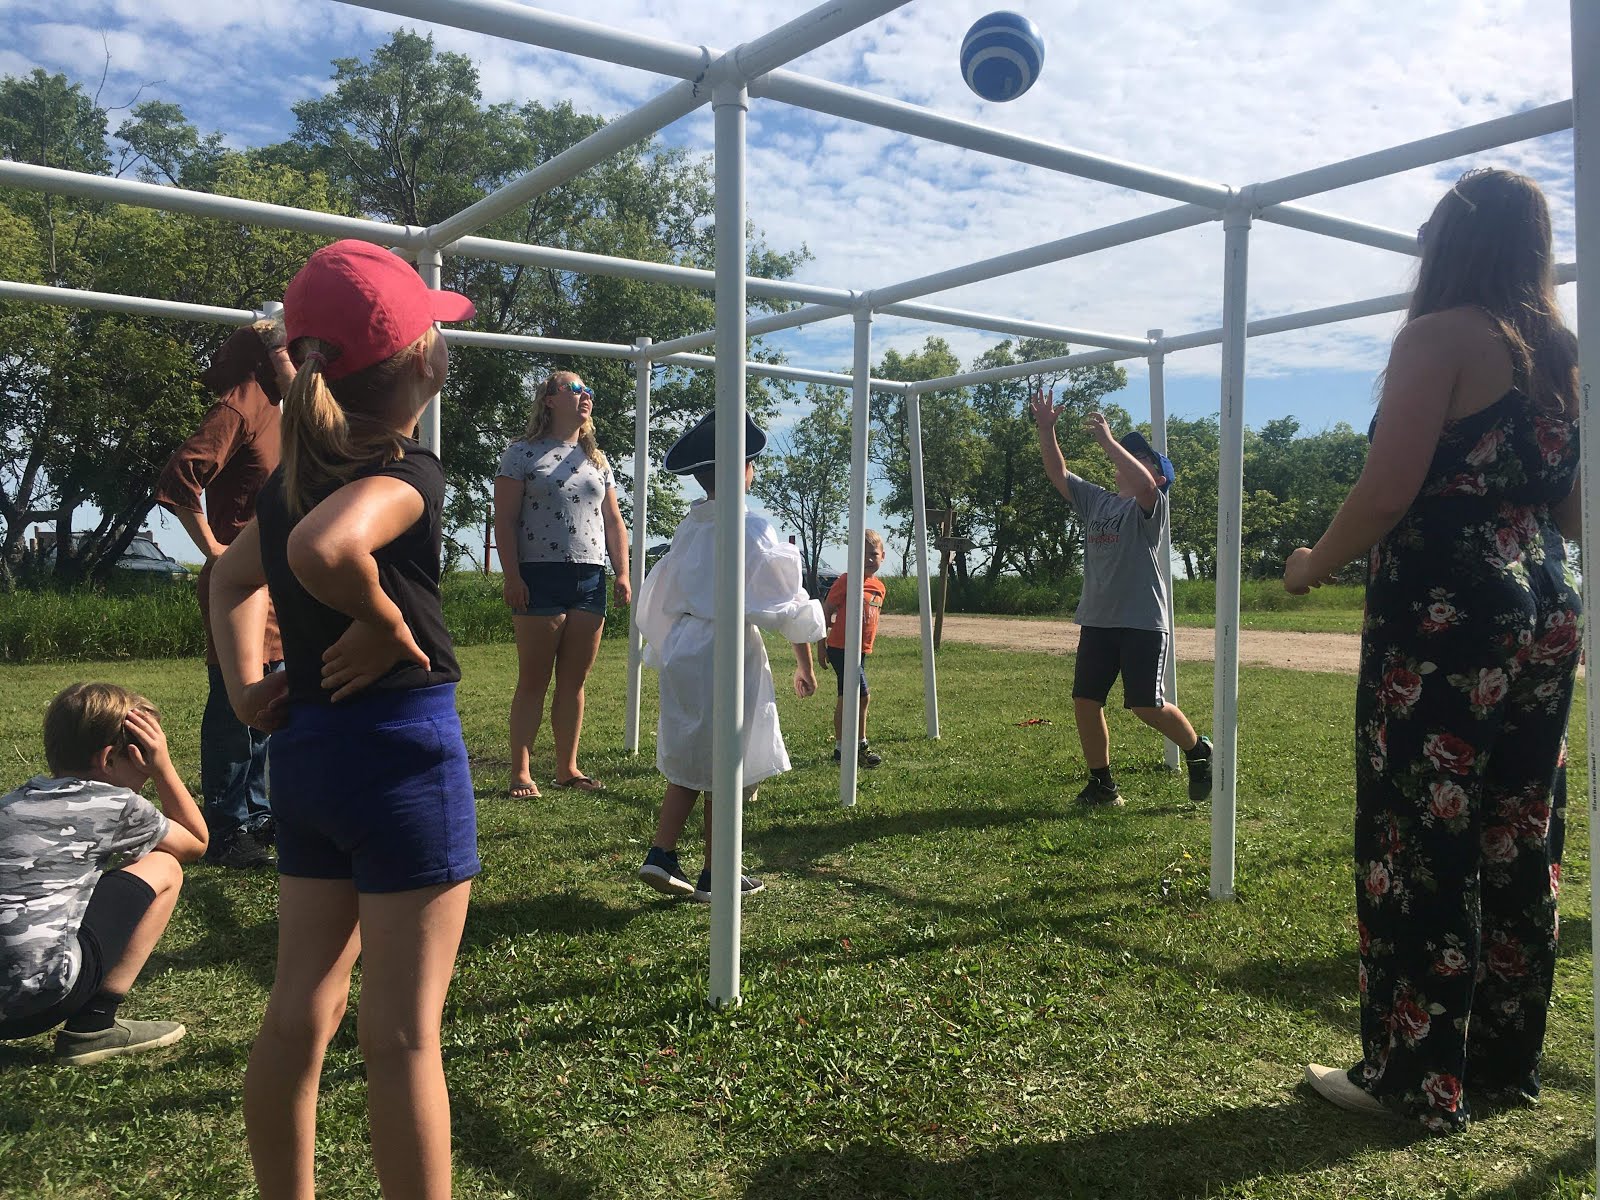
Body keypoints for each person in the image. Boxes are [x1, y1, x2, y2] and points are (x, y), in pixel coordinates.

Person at [1286, 169, 1581, 1134]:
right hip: (1544, 606)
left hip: (1445, 618)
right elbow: (1574, 509)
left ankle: (1413, 1078)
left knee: (1423, 834)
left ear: (1450, 239)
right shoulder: (1559, 352)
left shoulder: (1438, 336)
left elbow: (1385, 490)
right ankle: (1499, 1065)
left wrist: (1307, 565)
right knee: (1516, 832)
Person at [209, 239, 479, 1199]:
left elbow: (229, 579)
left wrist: (247, 692)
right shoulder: (411, 471)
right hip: (400, 756)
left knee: (297, 1011)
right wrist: (387, 618)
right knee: (404, 1034)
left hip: (309, 758)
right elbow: (334, 547)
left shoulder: (284, 493)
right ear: (421, 365)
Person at [634, 410, 823, 901]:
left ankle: (662, 852)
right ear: (743, 469)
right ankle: (717, 871)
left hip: (685, 646)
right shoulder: (752, 527)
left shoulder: (689, 529)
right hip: (728, 648)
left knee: (692, 754)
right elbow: (784, 602)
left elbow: (661, 592)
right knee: (727, 761)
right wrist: (803, 659)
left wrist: (665, 643)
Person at [0, 683, 207, 1064]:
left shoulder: (11, 802)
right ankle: (93, 1026)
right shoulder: (116, 803)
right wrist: (163, 767)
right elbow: (196, 841)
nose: (143, 773)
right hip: (37, 999)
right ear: (109, 759)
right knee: (165, 866)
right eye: (139, 759)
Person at [155, 318, 294, 869]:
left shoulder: (291, 410)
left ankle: (258, 812)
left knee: (273, 697)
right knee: (235, 704)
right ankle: (226, 825)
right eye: (289, 347)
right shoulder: (245, 402)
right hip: (239, 584)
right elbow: (180, 474)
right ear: (269, 354)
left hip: (280, 582)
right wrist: (214, 549)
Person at [1031, 394, 1213, 807]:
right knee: (1085, 701)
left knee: (1146, 705)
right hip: (1097, 620)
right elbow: (1058, 473)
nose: (1126, 460)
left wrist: (1110, 442)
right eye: (1127, 455)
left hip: (1142, 622)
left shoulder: (1152, 506)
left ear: (1159, 476)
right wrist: (1047, 429)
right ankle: (1103, 785)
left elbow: (1146, 485)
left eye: (1141, 456)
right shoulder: (1098, 501)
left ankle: (1198, 750)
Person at [493, 371, 631, 797]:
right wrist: (512, 576)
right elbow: (505, 519)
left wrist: (622, 572)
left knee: (574, 682)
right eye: (574, 388)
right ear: (549, 400)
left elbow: (613, 522)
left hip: (589, 577)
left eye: (588, 389)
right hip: (538, 574)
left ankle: (567, 768)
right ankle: (521, 771)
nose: (584, 395)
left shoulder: (597, 460)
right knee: (533, 679)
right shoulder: (521, 454)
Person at [822, 528, 887, 768]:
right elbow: (826, 610)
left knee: (845, 697)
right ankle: (860, 744)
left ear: (883, 556)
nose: (869, 559)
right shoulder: (847, 580)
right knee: (863, 695)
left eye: (873, 554)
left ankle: (840, 749)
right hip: (841, 648)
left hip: (861, 650)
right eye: (864, 555)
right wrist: (822, 645)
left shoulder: (879, 587)